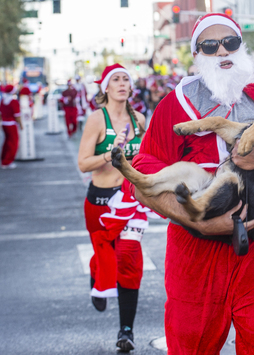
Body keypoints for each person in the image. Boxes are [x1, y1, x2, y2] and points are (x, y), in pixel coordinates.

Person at [128, 13, 254, 354]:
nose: (222, 52)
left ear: (241, 47)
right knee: (191, 347)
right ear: (197, 54)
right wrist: (196, 221)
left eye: (230, 43)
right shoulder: (175, 106)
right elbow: (139, 183)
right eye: (210, 45)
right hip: (195, 256)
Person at [77, 63, 149, 351]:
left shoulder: (140, 119)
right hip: (101, 200)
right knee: (105, 256)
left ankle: (126, 331)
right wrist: (110, 154)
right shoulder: (97, 120)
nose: (121, 83)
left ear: (131, 88)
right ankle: (97, 272)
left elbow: (147, 157)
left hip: (130, 201)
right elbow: (83, 163)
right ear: (105, 88)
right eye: (115, 79)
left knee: (129, 260)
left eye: (126, 80)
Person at [0, 85, 22, 169]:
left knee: (7, 142)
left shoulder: (3, 100)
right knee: (13, 143)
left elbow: (0, 114)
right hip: (11, 124)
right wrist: (21, 125)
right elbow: (17, 116)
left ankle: (4, 159)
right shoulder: (13, 102)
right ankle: (7, 161)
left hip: (5, 124)